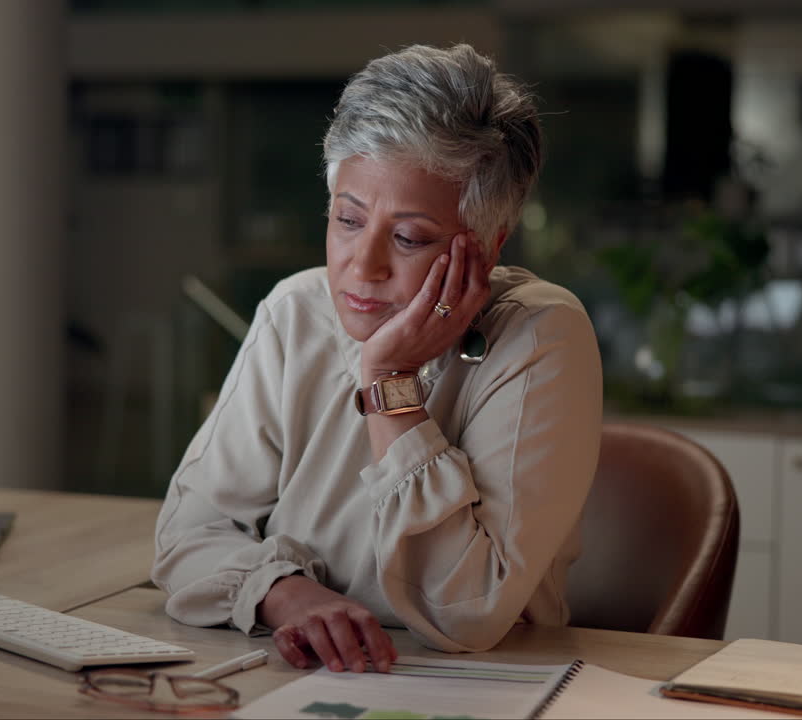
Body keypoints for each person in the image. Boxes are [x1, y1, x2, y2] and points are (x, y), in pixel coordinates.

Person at [152, 43, 603, 675]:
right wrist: (288, 595)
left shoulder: (539, 336)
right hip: (295, 672)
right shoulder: (295, 312)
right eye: (347, 219)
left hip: (475, 690)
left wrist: (389, 383)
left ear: (489, 243)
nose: (362, 267)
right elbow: (186, 535)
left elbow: (465, 611)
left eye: (409, 237)